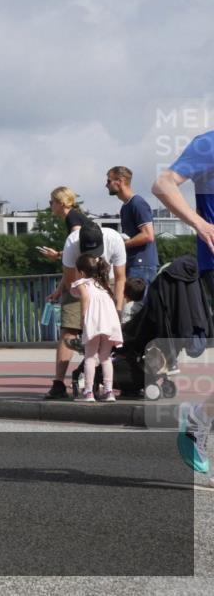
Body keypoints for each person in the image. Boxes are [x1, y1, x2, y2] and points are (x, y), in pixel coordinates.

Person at [153, 130, 214, 476]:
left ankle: (199, 418)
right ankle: (198, 420)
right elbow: (163, 184)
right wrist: (200, 223)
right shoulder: (209, 143)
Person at [44, 222, 126, 399]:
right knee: (69, 329)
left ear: (102, 240)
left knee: (91, 353)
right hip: (80, 283)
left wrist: (116, 309)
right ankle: (61, 383)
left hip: (105, 282)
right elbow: (68, 278)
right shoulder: (71, 243)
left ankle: (89, 390)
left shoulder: (114, 239)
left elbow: (120, 278)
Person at [70, 254, 124, 402]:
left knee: (90, 357)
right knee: (105, 357)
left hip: (94, 322)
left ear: (81, 272)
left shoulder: (82, 282)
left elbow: (85, 298)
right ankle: (108, 392)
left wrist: (82, 318)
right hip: (109, 322)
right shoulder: (103, 285)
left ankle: (88, 392)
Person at [106, 166, 159, 286]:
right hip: (134, 264)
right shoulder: (126, 206)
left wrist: (121, 245)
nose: (106, 185)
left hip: (141, 266)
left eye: (109, 181)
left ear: (120, 181)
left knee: (137, 304)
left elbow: (148, 235)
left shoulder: (137, 203)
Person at [38, 187, 89, 261]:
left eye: (51, 202)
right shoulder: (74, 215)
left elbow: (76, 246)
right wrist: (57, 254)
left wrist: (58, 254)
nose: (50, 206)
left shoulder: (72, 218)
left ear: (61, 203)